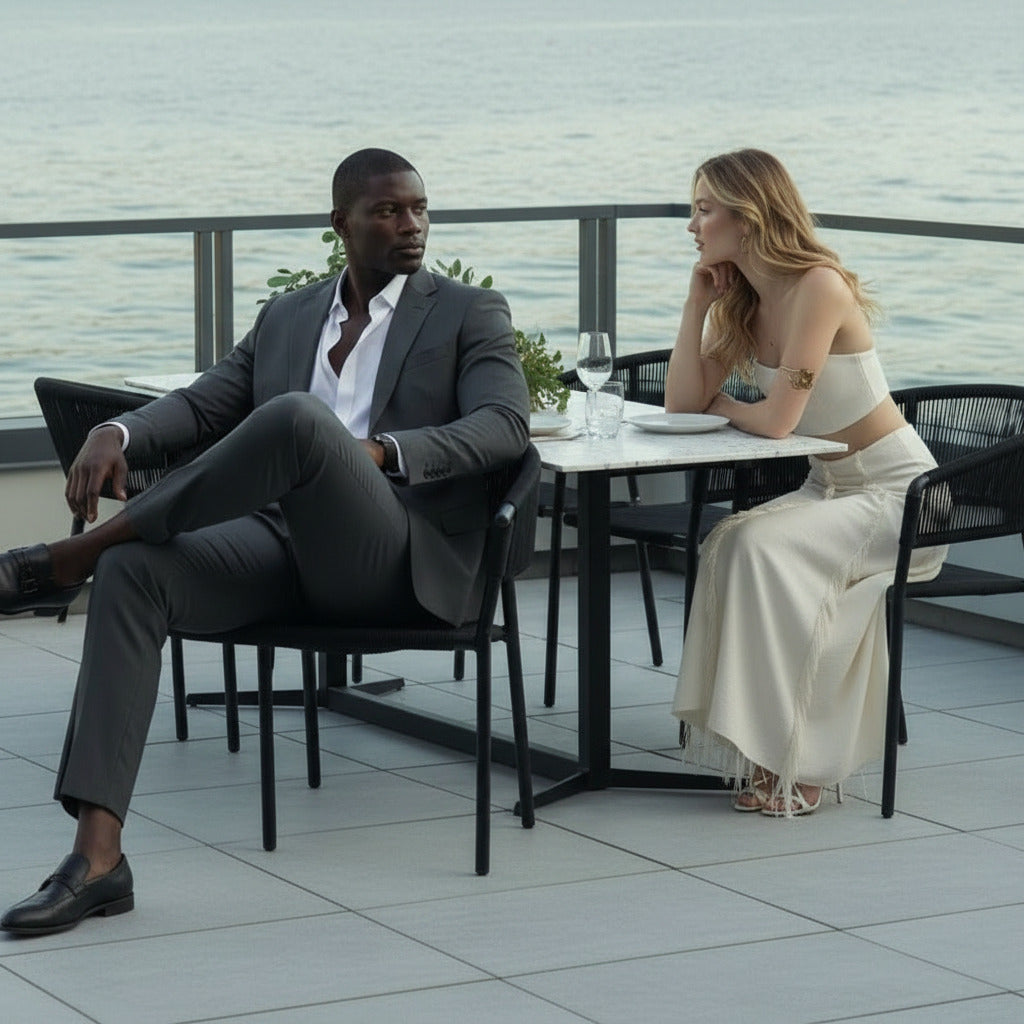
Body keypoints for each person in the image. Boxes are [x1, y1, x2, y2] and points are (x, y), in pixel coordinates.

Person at [0, 148, 529, 935]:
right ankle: (99, 858)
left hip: (394, 559)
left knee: (296, 420)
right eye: (388, 211)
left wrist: (381, 452)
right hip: (278, 553)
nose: (410, 225)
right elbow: (205, 403)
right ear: (340, 224)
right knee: (138, 574)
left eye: (419, 208)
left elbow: (503, 426)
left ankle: (73, 556)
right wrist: (117, 429)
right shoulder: (289, 316)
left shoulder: (468, 311)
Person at [666, 149, 947, 817]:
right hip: (831, 489)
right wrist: (695, 302)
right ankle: (767, 750)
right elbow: (681, 405)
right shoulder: (747, 300)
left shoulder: (819, 287)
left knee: (765, 549)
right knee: (730, 542)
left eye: (703, 210)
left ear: (749, 215)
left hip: (901, 496)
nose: (692, 226)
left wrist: (727, 406)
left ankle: (803, 763)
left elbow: (777, 422)